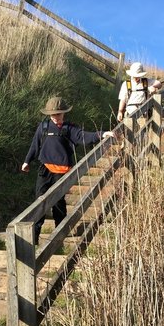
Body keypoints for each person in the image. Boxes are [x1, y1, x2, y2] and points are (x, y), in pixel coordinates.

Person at [21, 96, 114, 245]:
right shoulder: (43, 127)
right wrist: (27, 161)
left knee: (58, 202)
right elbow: (35, 145)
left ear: (64, 113)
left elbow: (83, 136)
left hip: (62, 172)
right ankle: (34, 237)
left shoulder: (69, 128)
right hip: (44, 170)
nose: (56, 117)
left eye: (58, 114)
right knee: (39, 202)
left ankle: (60, 234)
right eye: (53, 114)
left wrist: (101, 134)